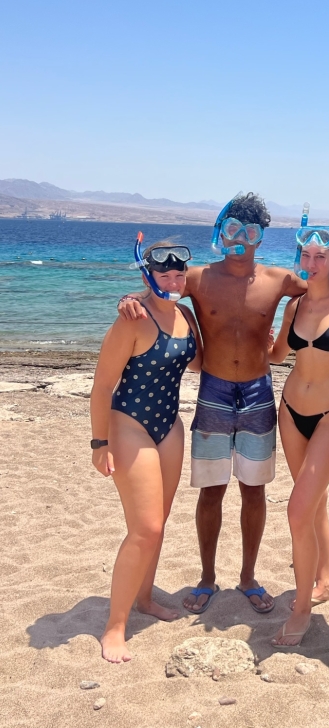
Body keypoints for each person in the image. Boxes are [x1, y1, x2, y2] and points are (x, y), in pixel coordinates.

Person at [117, 193, 308, 616]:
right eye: (235, 229)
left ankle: (248, 577)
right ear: (222, 232)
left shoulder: (279, 279)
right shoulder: (199, 278)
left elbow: (323, 289)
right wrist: (131, 296)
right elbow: (160, 284)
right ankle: (207, 577)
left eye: (253, 232)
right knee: (212, 489)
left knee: (254, 489)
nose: (243, 239)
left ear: (262, 237)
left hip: (258, 391)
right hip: (214, 391)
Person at [90, 238, 202, 663]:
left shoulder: (186, 316)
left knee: (159, 522)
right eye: (164, 274)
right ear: (147, 276)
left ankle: (145, 599)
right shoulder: (131, 320)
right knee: (146, 528)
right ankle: (114, 627)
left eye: (179, 274)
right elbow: (102, 386)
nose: (172, 280)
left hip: (169, 427)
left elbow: (196, 363)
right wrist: (99, 443)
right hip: (130, 426)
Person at [268, 225, 329, 646]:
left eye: (322, 256)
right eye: (307, 256)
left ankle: (302, 609)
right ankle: (323, 577)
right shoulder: (295, 304)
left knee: (298, 509)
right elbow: (277, 355)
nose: (312, 263)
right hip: (290, 412)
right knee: (311, 497)